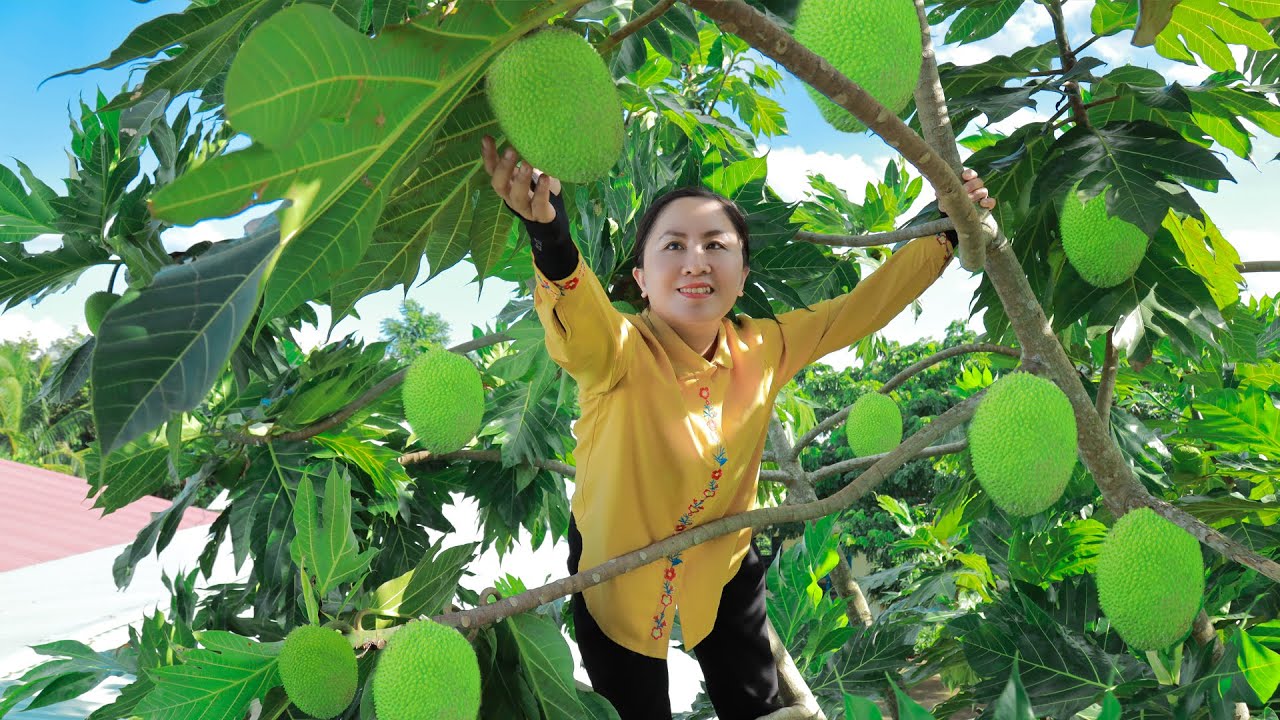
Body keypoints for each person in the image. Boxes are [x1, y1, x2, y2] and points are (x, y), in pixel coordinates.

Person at [480, 135, 995, 720]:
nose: (696, 260)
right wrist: (549, 235)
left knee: (757, 704)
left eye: (715, 246)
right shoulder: (619, 350)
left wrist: (944, 233)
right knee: (631, 708)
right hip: (611, 566)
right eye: (673, 245)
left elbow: (858, 309)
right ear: (641, 280)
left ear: (743, 274)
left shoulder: (765, 345)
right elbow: (584, 317)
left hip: (723, 557)